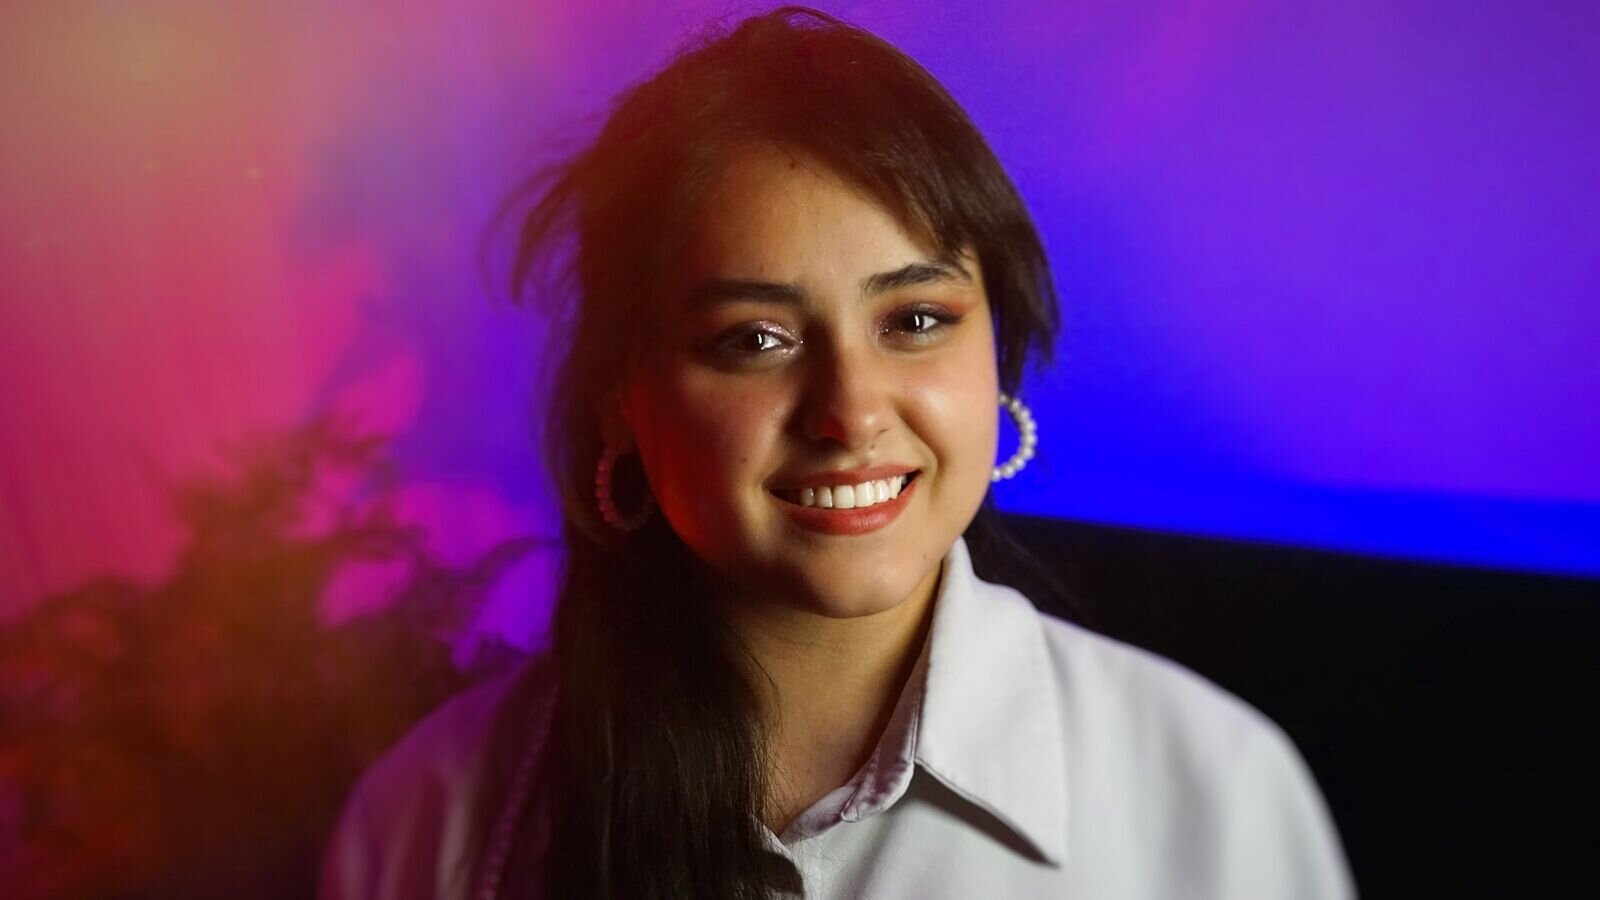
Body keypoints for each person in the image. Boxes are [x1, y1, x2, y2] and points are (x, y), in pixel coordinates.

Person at [320, 6, 1355, 899]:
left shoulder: (1209, 792)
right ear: (621, 398)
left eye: (914, 321)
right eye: (755, 340)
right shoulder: (431, 819)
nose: (849, 413)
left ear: (996, 353)